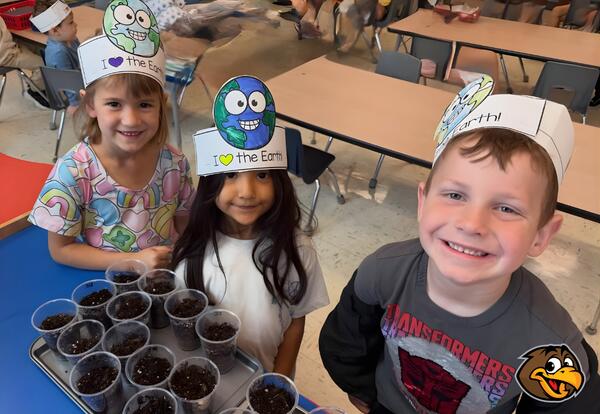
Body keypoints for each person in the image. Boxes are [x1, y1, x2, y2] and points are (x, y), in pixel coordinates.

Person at [319, 75, 600, 413]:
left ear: (541, 235)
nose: (471, 223)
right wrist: (366, 395)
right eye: (455, 195)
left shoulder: (548, 343)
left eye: (506, 208)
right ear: (423, 203)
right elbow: (348, 342)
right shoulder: (383, 272)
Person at [172, 76, 329, 376]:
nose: (246, 192)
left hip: (263, 381)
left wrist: (278, 379)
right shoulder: (195, 244)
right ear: (210, 184)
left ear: (279, 182)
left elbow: (296, 318)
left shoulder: (297, 249)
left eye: (262, 175)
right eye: (230, 175)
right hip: (198, 379)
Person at [28, 0, 194, 271]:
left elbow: (186, 226)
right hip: (109, 287)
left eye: (144, 104)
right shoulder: (73, 171)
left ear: (160, 104)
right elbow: (61, 250)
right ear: (91, 105)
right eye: (114, 104)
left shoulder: (174, 163)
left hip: (167, 280)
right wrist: (131, 262)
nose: (131, 120)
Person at [30, 0, 80, 114]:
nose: (76, 24)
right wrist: (74, 104)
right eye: (71, 22)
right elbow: (67, 81)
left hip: (81, 79)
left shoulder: (71, 39)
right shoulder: (58, 53)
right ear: (55, 31)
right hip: (76, 94)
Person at [0, 14, 48, 107]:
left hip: (9, 46)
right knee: (42, 66)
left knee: (43, 50)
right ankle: (34, 92)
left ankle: (44, 84)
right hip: (6, 55)